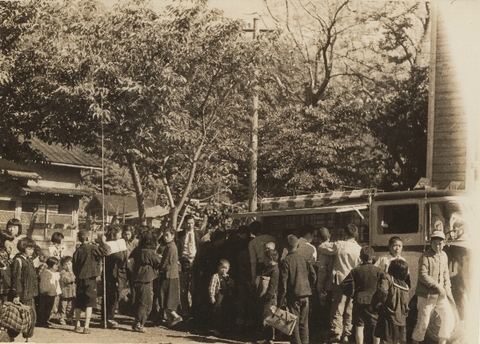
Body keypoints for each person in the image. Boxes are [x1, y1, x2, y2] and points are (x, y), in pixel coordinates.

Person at [318, 223, 362, 343]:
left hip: (340, 280)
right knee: (349, 308)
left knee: (338, 307)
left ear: (345, 233)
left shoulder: (340, 245)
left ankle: (336, 333)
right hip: (353, 282)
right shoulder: (359, 249)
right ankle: (347, 334)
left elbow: (322, 247)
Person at [411, 230, 455, 344]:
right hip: (426, 295)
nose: (437, 246)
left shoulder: (444, 255)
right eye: (435, 243)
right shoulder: (425, 257)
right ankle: (415, 342)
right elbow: (422, 275)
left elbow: (446, 273)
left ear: (444, 243)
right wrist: (438, 287)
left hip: (441, 296)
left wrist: (447, 289)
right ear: (431, 244)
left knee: (448, 318)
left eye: (440, 244)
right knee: (423, 322)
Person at [278, 235, 316, 344]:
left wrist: (280, 301)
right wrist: (308, 285)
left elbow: (283, 284)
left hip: (293, 296)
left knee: (293, 323)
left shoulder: (285, 261)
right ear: (298, 245)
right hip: (306, 295)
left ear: (285, 246)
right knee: (304, 324)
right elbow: (313, 276)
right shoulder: (304, 258)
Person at [342, 246, 384, 344]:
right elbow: (383, 286)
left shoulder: (355, 270)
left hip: (359, 301)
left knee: (359, 326)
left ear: (360, 257)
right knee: (375, 327)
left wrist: (352, 292)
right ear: (373, 257)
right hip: (374, 302)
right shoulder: (379, 270)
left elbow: (344, 284)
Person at [72, 229, 109, 334]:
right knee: (90, 302)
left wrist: (78, 275)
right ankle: (86, 326)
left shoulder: (77, 250)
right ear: (88, 238)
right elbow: (106, 252)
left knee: (79, 302)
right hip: (90, 278)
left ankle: (77, 324)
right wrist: (103, 242)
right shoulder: (93, 248)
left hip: (80, 279)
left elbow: (74, 266)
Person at [129, 229, 162, 333]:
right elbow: (158, 263)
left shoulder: (137, 250)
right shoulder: (150, 252)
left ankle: (137, 322)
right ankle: (139, 324)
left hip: (136, 277)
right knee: (146, 302)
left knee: (139, 300)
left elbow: (130, 262)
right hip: (146, 279)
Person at [371, 259, 410, 344]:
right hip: (400, 318)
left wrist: (380, 303)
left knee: (386, 340)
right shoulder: (405, 285)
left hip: (388, 315)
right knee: (397, 340)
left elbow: (382, 291)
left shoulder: (388, 278)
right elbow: (406, 304)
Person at [9, 236, 38, 341]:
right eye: (29, 248)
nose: (32, 251)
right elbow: (16, 279)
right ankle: (11, 337)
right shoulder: (18, 260)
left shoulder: (29, 260)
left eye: (32, 248)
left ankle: (27, 339)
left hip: (29, 294)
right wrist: (16, 294)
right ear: (22, 248)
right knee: (18, 318)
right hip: (21, 295)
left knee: (31, 317)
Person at [103, 225, 128, 328]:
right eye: (119, 233)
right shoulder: (108, 244)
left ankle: (109, 317)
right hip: (112, 273)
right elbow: (119, 257)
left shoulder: (120, 243)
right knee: (112, 295)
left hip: (116, 272)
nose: (121, 235)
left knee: (113, 295)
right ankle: (108, 318)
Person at [158, 228, 183, 327]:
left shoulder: (171, 247)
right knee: (165, 298)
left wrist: (159, 269)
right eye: (164, 235)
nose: (165, 237)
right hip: (170, 275)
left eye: (167, 235)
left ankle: (176, 317)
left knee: (167, 298)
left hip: (169, 276)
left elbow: (167, 263)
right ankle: (169, 320)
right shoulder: (169, 246)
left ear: (173, 236)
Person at [314, 227, 334, 340]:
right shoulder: (335, 248)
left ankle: (325, 336)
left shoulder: (322, 251)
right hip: (335, 283)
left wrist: (319, 287)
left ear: (318, 238)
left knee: (325, 312)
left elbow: (322, 271)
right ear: (329, 236)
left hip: (326, 285)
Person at [257, 249, 279, 343]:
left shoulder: (275, 270)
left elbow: (273, 285)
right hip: (265, 296)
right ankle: (267, 338)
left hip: (270, 298)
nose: (263, 260)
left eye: (265, 258)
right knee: (266, 317)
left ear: (270, 258)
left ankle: (269, 338)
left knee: (268, 318)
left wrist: (268, 296)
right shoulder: (269, 267)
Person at [209, 259, 235, 337]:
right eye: (222, 267)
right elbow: (212, 287)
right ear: (218, 267)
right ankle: (217, 329)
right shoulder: (216, 276)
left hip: (226, 296)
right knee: (218, 311)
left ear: (229, 268)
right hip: (219, 295)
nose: (224, 270)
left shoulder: (228, 277)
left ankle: (224, 329)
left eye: (226, 268)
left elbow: (232, 285)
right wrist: (212, 296)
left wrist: (227, 279)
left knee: (225, 312)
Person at [37, 256, 61, 328]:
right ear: (51, 265)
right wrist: (45, 291)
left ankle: (45, 320)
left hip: (52, 294)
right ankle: (41, 321)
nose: (57, 266)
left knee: (49, 308)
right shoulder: (47, 273)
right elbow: (44, 284)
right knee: (44, 308)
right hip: (46, 294)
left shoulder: (54, 273)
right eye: (56, 265)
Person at [59, 256, 76, 326]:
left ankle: (69, 318)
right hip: (65, 293)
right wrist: (71, 273)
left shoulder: (73, 272)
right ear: (63, 265)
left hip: (72, 293)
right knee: (63, 307)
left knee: (71, 306)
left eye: (69, 264)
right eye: (66, 264)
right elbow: (69, 280)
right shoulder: (63, 273)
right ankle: (62, 318)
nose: (68, 266)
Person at [0, 230, 14, 309]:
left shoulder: (5, 251)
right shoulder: (2, 252)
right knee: (3, 302)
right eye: (8, 240)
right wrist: (11, 258)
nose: (10, 243)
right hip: (2, 281)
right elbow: (4, 265)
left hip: (3, 281)